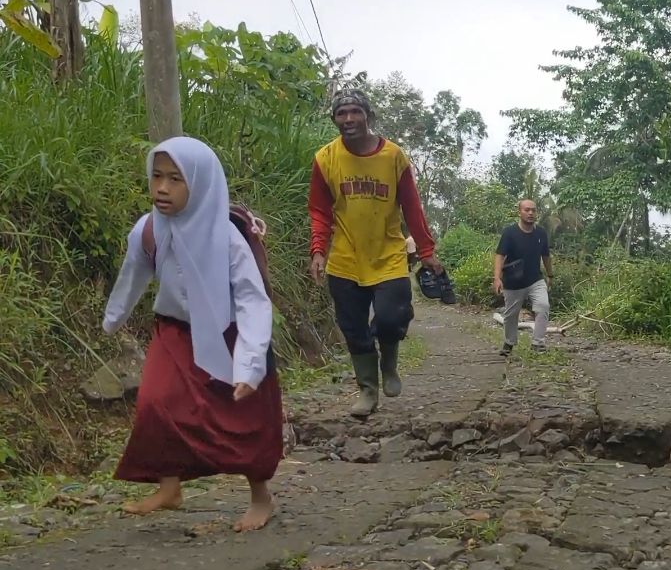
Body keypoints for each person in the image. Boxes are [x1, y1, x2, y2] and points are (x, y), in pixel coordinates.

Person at [102, 136, 282, 532]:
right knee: (155, 402)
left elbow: (252, 300)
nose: (162, 188)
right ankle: (169, 488)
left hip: (229, 334)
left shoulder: (228, 238)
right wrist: (113, 318)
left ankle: (260, 495)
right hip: (174, 332)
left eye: (175, 179)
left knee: (244, 419)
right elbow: (133, 274)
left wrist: (250, 364)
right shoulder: (148, 229)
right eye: (157, 176)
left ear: (200, 184)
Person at [308, 89, 443, 418]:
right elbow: (319, 211)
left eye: (355, 111)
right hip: (345, 259)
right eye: (342, 113)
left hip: (388, 257)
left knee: (391, 316)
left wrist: (426, 250)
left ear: (368, 115)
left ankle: (390, 363)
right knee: (353, 327)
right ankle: (368, 389)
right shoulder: (325, 158)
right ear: (334, 119)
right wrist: (318, 250)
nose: (349, 119)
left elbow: (412, 206)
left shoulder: (393, 156)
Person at [493, 199, 553, 355]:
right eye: (527, 210)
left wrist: (550, 274)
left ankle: (537, 343)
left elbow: (546, 256)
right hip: (513, 282)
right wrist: (497, 278)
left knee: (543, 306)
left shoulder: (541, 233)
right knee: (511, 315)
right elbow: (500, 255)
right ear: (519, 212)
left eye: (533, 210)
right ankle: (509, 343)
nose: (531, 213)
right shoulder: (510, 233)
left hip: (535, 280)